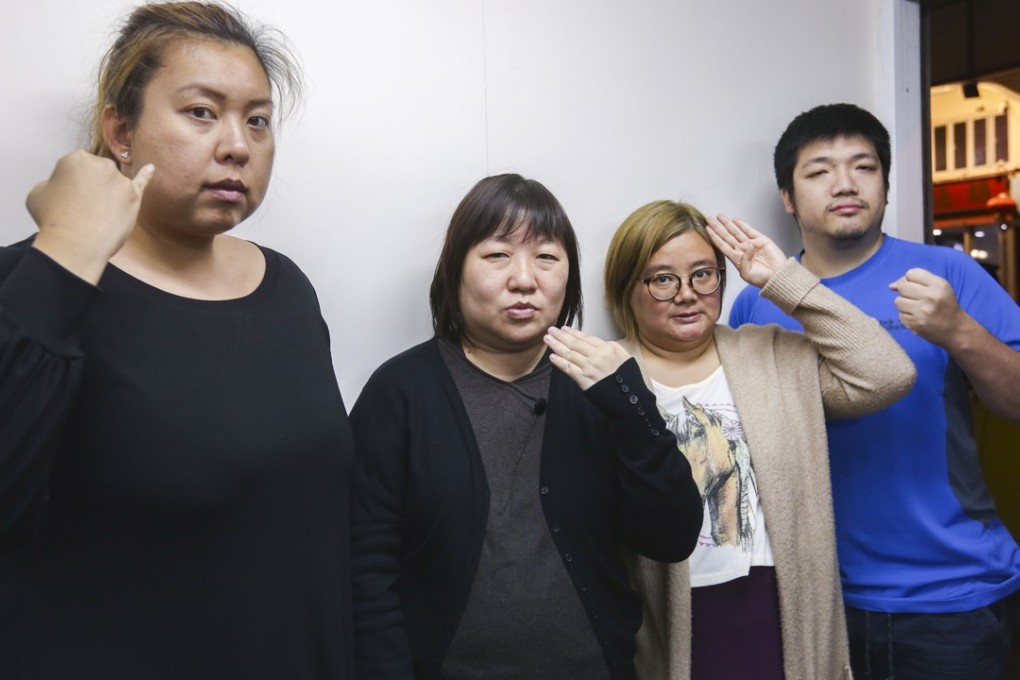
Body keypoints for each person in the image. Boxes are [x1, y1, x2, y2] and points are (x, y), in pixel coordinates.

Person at [0, 3, 354, 678]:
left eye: (257, 119)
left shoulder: (288, 290)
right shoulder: (33, 281)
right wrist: (68, 251)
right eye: (201, 112)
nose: (238, 145)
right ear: (119, 131)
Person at [349, 174, 703, 680]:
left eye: (546, 257)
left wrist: (632, 405)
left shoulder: (601, 384)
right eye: (497, 255)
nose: (524, 279)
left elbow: (671, 537)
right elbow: (366, 570)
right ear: (454, 272)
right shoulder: (401, 392)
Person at [729, 102, 1020, 679]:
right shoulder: (757, 300)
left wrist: (958, 329)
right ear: (788, 197)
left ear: (885, 183)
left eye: (863, 167)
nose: (844, 183)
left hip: (951, 594)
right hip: (817, 600)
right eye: (819, 171)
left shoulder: (946, 274)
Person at [603, 200, 915, 680]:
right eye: (662, 279)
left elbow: (887, 374)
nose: (687, 294)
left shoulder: (772, 354)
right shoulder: (605, 376)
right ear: (627, 287)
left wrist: (783, 281)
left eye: (703, 274)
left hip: (781, 613)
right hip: (670, 623)